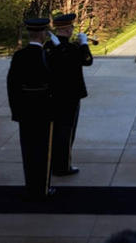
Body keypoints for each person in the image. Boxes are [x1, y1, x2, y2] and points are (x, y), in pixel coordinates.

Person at [7, 17, 55, 200]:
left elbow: (12, 86)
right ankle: (43, 189)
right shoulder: (48, 55)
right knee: (44, 151)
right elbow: (55, 83)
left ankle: (30, 186)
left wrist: (16, 111)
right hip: (44, 110)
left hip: (25, 110)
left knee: (28, 150)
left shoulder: (19, 56)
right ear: (43, 34)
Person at [45, 12, 93, 176]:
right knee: (66, 131)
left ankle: (54, 163)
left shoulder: (48, 46)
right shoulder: (71, 49)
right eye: (71, 27)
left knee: (57, 129)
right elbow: (87, 60)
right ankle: (63, 166)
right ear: (66, 29)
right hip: (70, 96)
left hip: (53, 95)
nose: (73, 29)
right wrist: (84, 44)